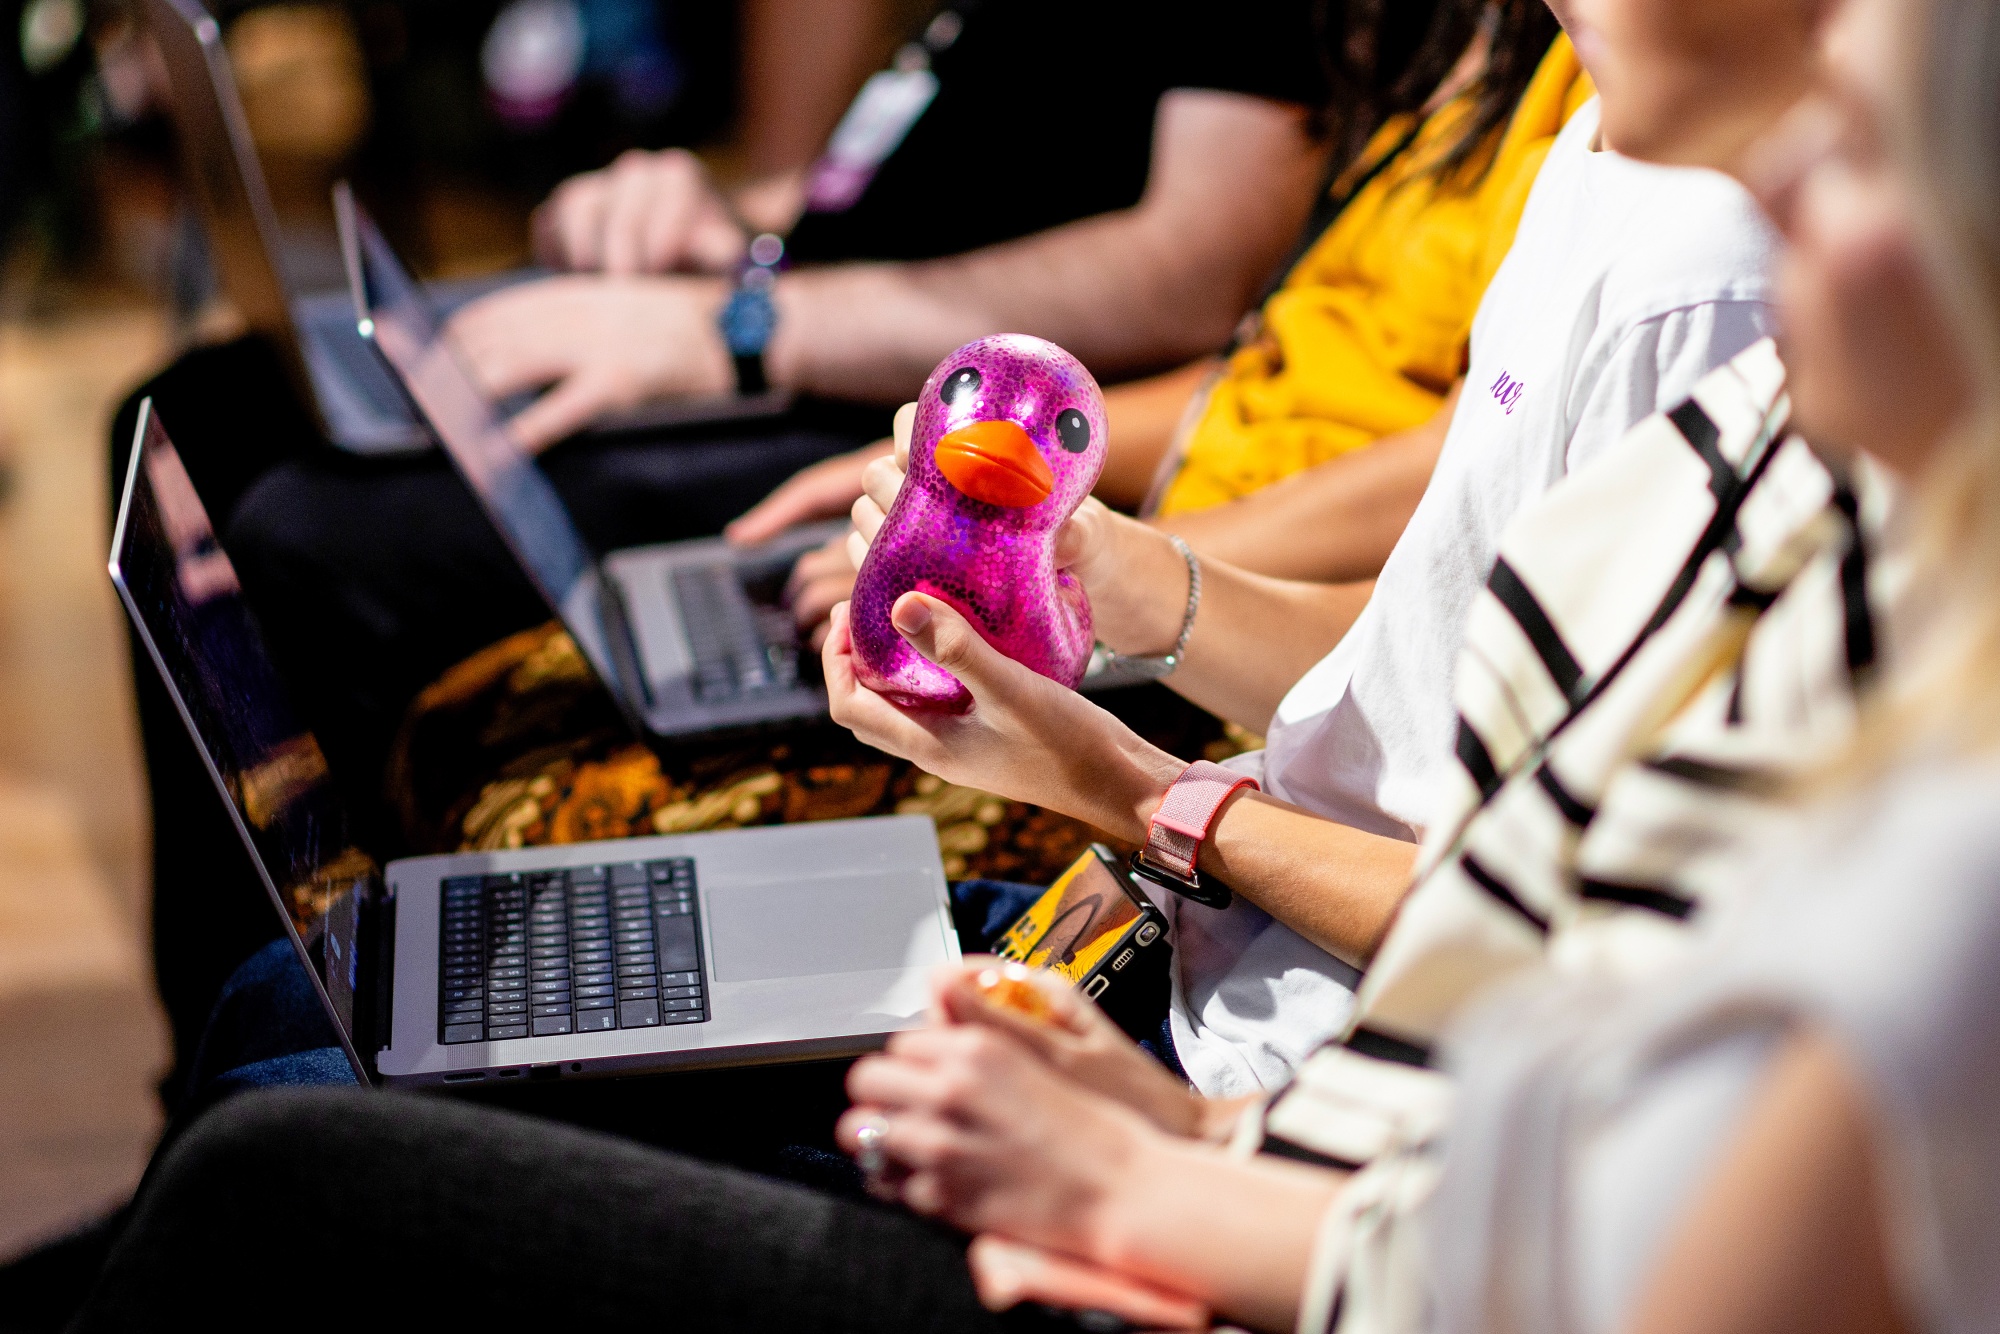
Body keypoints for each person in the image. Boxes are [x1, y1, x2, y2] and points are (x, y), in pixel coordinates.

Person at [63, 0, 2000, 1329]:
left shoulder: (1721, 317)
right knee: (295, 1027)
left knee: (288, 1147)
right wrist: (1110, 611)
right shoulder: (1619, 190)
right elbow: (1450, 741)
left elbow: (1498, 1122)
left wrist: (1138, 862)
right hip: (1214, 1039)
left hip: (1225, 1087)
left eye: (1858, 160)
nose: (1801, 205)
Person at [117, 0, 1341, 1098]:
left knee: (292, 534)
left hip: (935, 405)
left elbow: (1201, 276)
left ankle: (272, 1134)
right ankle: (231, 1124)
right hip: (843, 314)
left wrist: (747, 325)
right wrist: (748, 226)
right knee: (206, 409)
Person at [831, 0, 1779, 1092]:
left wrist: (1127, 788)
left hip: (1320, 1081)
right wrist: (1106, 572)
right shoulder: (1612, 135)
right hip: (1223, 947)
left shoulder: (1712, 274)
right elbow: (1437, 657)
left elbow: (1576, 944)